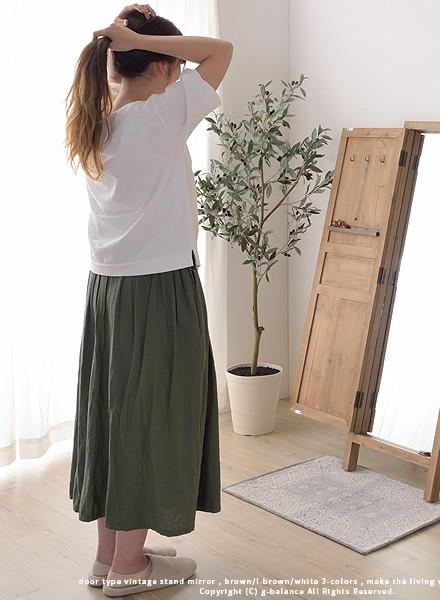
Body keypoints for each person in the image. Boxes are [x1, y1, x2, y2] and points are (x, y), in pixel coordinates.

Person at [63, 3, 233, 596]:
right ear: (160, 66)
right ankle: (131, 568)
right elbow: (221, 52)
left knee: (118, 417)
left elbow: (198, 58)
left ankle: (110, 556)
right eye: (171, 63)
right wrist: (138, 38)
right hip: (158, 289)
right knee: (152, 417)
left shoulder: (98, 118)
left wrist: (127, 41)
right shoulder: (160, 115)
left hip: (108, 290)